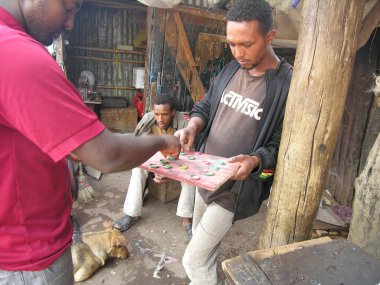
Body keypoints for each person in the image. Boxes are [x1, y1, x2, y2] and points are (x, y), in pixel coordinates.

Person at [0, 1, 180, 284]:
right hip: (28, 258)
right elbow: (108, 154)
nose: (70, 23)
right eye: (69, 7)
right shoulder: (16, 53)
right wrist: (164, 142)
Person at [175, 0, 293, 284]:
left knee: (193, 259)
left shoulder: (285, 84)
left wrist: (255, 160)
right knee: (206, 253)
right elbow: (205, 105)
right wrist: (193, 125)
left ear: (269, 37)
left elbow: (283, 144)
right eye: (232, 44)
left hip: (234, 190)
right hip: (205, 176)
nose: (238, 53)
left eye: (247, 44)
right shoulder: (231, 70)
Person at [113, 93, 195, 239]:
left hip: (179, 160)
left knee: (190, 174)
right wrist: (155, 168)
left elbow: (190, 155)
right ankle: (131, 214)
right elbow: (139, 149)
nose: (160, 119)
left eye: (165, 114)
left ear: (173, 112)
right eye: (157, 114)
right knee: (137, 168)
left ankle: (186, 218)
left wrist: (169, 169)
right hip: (154, 160)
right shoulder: (148, 120)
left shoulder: (185, 122)